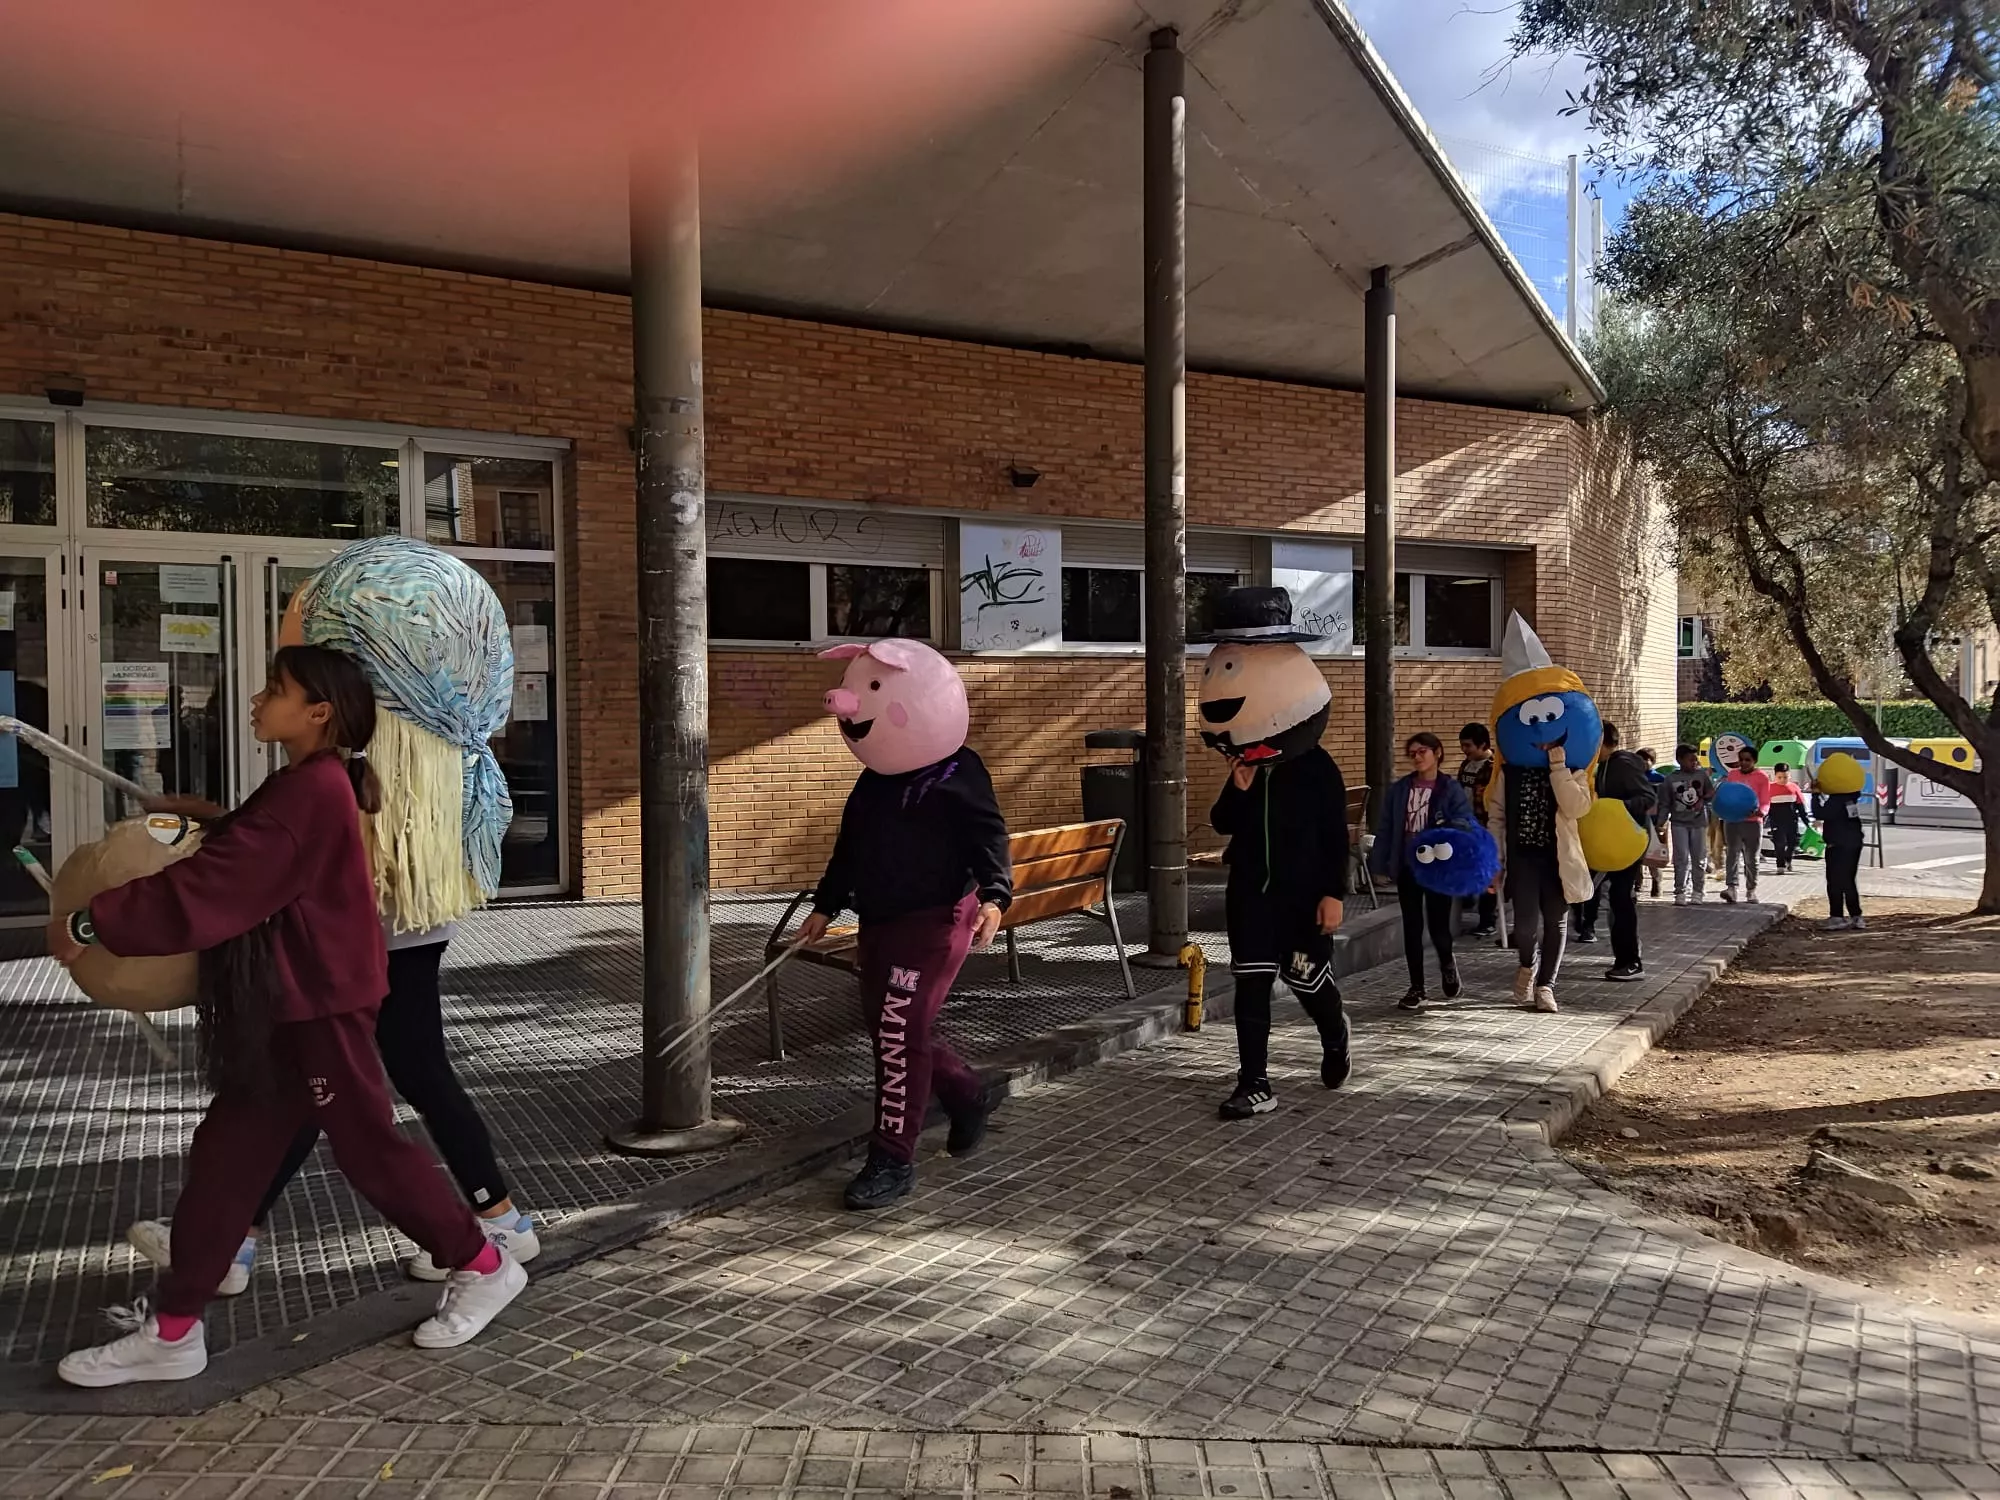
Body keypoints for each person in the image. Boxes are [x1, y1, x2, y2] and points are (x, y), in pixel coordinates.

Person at [50, 646, 527, 1388]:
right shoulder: (309, 780)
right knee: (227, 1159)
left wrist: (89, 925)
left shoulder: (311, 790)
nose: (257, 698)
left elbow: (220, 883)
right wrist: (201, 816)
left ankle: (485, 1262)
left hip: (319, 1005)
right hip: (291, 1003)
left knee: (369, 1150)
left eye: (276, 689)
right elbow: (246, 846)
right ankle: (174, 1331)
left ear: (319, 712)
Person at [124, 540, 538, 1295]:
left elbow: (306, 846)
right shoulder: (386, 763)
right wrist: (223, 823)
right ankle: (241, 1237)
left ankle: (498, 1223)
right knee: (327, 1084)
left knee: (378, 1077)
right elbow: (293, 838)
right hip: (388, 926)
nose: (267, 687)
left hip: (377, 934)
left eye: (291, 669)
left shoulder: (368, 765)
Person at [801, 639, 1009, 1210]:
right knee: (894, 1032)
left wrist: (996, 895)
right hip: (881, 919)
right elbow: (850, 848)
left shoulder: (955, 771)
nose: (852, 706)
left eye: (874, 690)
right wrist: (826, 905)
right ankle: (967, 1093)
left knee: (897, 1034)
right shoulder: (875, 780)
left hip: (937, 919)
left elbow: (987, 835)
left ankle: (892, 1158)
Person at [1197, 587, 1351, 1120]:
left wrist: (1334, 893)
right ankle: (1255, 1082)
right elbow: (1222, 823)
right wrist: (1237, 787)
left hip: (1305, 895)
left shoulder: (1317, 769)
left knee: (1306, 977)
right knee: (1252, 983)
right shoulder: (1248, 769)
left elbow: (1336, 836)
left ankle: (1334, 1034)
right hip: (1251, 892)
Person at [1488, 614, 1600, 1015]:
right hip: (1523, 855)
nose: (1541, 731)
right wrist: (1495, 858)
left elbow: (1577, 808)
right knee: (1526, 924)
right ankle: (1525, 966)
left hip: (1560, 857)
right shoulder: (1509, 774)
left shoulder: (1573, 772)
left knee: (1555, 921)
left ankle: (1547, 986)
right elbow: (1497, 817)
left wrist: (1557, 765)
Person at [1370, 733, 1475, 1011]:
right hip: (1408, 867)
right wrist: (1379, 865)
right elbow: (1386, 826)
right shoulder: (1400, 789)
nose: (1417, 757)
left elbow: (1465, 822)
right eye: (1413, 753)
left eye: (1423, 751)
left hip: (1439, 868)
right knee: (1412, 927)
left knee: (1439, 926)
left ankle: (1447, 963)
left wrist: (1446, 831)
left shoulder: (1449, 789)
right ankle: (1417, 987)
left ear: (1438, 753)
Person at [1593, 723, 1658, 982]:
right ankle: (1628, 954)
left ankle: (1630, 961)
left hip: (1627, 841)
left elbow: (1647, 797)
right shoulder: (1602, 766)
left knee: (1621, 898)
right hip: (1610, 842)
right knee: (1616, 899)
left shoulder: (1624, 764)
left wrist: (1613, 807)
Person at [1457, 723, 1499, 937]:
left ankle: (1487, 920)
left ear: (1483, 745)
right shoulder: (1467, 764)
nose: (1465, 750)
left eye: (1468, 746)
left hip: (1484, 826)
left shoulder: (1493, 768)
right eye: (1462, 746)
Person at [1664, 745, 1715, 904]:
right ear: (1679, 760)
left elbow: (1710, 793)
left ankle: (1698, 891)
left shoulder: (1701, 776)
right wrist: (1661, 821)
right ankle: (1680, 891)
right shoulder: (1671, 779)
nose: (1694, 762)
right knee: (1681, 858)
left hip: (1699, 822)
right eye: (1690, 759)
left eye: (1696, 759)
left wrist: (1703, 801)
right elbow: (1665, 802)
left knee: (1699, 858)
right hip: (1679, 822)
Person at [1722, 746, 1772, 903]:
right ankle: (1731, 888)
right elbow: (1728, 795)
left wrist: (1761, 812)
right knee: (1732, 854)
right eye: (1741, 759)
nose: (1743, 763)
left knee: (1751, 858)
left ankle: (1751, 890)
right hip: (1732, 820)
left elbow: (1765, 801)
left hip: (1752, 822)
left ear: (1754, 761)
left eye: (1747, 760)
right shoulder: (1732, 775)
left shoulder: (1762, 777)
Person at [1820, 780, 1868, 931]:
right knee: (1848, 880)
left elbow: (1820, 813)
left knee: (1834, 881)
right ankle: (1856, 916)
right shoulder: (1850, 799)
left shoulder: (1836, 800)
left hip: (1837, 845)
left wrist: (1815, 795)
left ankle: (1837, 916)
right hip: (1854, 843)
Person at [1637, 748, 1668, 898]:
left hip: (1653, 822)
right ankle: (1638, 881)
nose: (1643, 763)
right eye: (1640, 759)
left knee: (1653, 854)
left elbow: (1664, 802)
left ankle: (1657, 882)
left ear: (1653, 761)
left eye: (1647, 759)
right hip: (1636, 820)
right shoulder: (1634, 777)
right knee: (1636, 853)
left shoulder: (1659, 779)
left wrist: (1662, 820)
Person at [1766, 762, 1805, 873]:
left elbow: (1801, 806)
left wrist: (1807, 822)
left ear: (1790, 775)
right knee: (1780, 843)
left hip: (1792, 821)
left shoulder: (1794, 788)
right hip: (1776, 821)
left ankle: (1788, 859)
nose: (1783, 779)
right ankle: (1780, 865)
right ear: (1775, 776)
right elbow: (1765, 807)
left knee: (1792, 843)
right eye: (1780, 777)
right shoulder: (1770, 788)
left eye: (1785, 777)